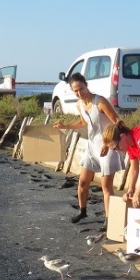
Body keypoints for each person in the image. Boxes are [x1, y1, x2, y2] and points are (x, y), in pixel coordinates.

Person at [53, 73, 125, 224]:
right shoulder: (79, 104)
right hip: (92, 146)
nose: (80, 93)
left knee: (106, 186)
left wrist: (107, 143)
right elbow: (82, 122)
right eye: (76, 91)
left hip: (109, 145)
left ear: (86, 85)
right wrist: (66, 126)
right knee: (83, 182)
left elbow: (117, 123)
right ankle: (83, 211)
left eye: (81, 89)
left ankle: (109, 220)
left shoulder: (100, 101)